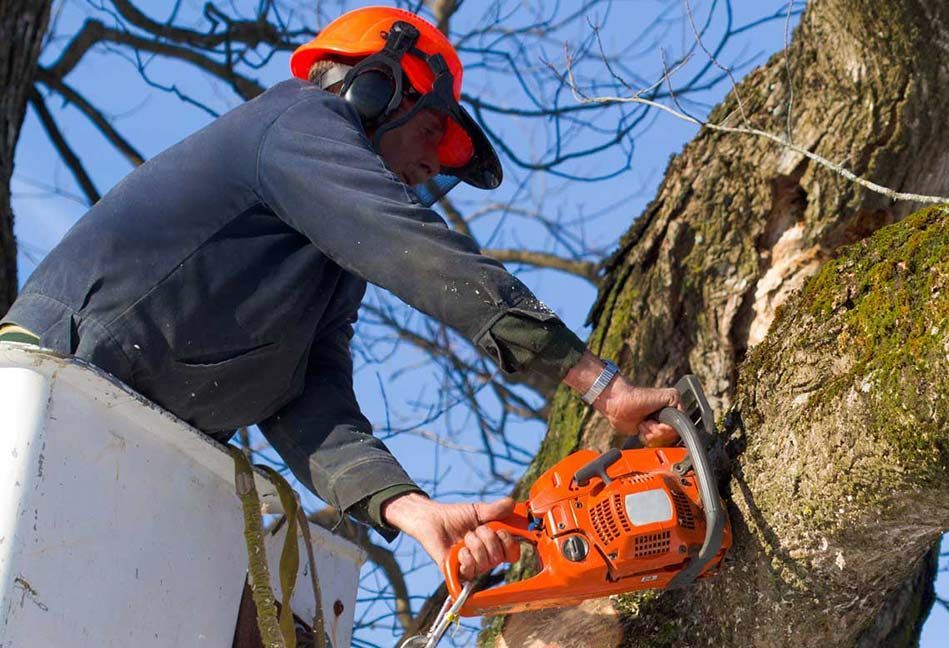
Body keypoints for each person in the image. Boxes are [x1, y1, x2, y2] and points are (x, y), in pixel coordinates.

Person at [0, 7, 676, 583]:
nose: (427, 167)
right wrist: (601, 386)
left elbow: (307, 400)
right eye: (430, 134)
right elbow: (414, 250)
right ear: (374, 90)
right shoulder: (294, 123)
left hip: (130, 446)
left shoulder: (327, 261)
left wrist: (412, 511)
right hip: (54, 387)